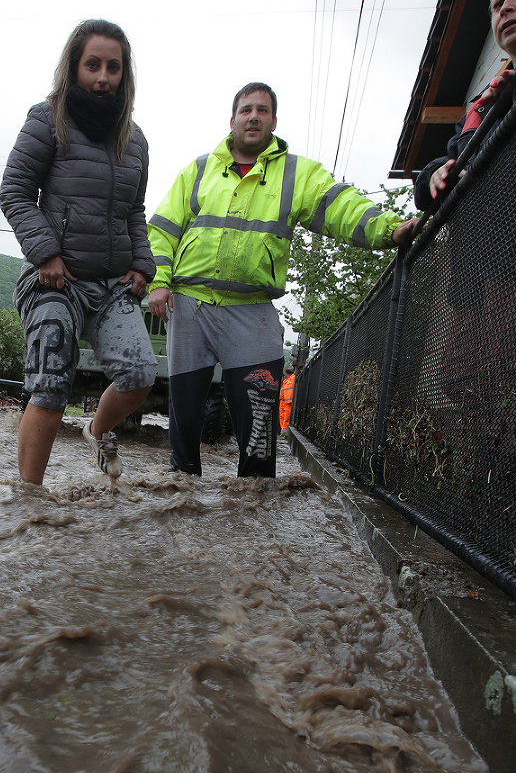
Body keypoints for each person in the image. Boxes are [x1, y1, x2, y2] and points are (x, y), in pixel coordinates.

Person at [148, 82, 418, 478]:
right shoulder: (200, 169)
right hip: (190, 304)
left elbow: (339, 204)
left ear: (274, 121)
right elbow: (163, 230)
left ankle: (254, 505)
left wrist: (388, 229)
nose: (253, 116)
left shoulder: (296, 173)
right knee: (184, 421)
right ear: (232, 120)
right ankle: (181, 498)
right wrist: (159, 281)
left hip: (252, 311)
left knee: (259, 429)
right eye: (245, 110)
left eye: (262, 110)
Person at [0, 19, 158, 485]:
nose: (103, 76)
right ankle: (28, 501)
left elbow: (136, 210)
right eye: (93, 65)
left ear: (124, 75)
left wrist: (142, 263)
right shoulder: (47, 119)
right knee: (50, 385)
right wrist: (45, 253)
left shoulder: (136, 140)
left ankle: (96, 429)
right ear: (74, 67)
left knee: (139, 375)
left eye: (114, 67)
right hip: (56, 279)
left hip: (111, 286)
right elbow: (15, 190)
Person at [414, 0, 516, 212]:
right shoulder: (480, 109)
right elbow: (450, 161)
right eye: (497, 5)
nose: (505, 8)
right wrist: (433, 177)